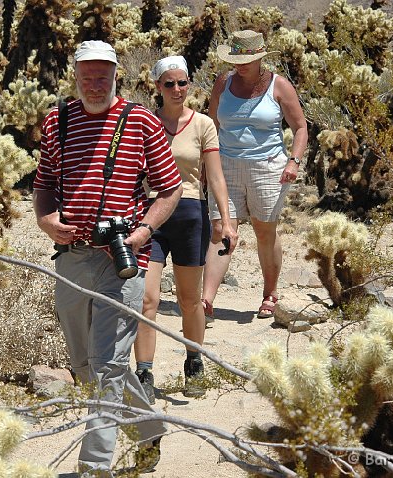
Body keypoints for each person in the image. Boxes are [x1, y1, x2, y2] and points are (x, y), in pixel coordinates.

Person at [33, 40, 183, 477]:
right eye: (87, 76)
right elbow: (44, 182)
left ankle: (95, 468)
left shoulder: (141, 122)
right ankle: (150, 427)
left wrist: (145, 230)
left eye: (103, 76)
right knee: (84, 366)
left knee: (107, 366)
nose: (94, 84)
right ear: (75, 76)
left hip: (123, 260)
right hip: (72, 258)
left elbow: (170, 188)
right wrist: (46, 219)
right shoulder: (58, 119)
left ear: (117, 75)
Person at [132, 56, 236, 403]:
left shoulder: (204, 124)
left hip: (192, 213)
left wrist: (225, 219)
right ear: (157, 88)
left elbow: (215, 176)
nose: (177, 90)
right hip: (152, 215)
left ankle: (193, 361)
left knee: (190, 299)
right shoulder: (143, 122)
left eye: (183, 83)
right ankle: (144, 372)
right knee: (147, 299)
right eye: (169, 84)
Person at [201, 29, 308, 320]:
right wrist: (205, 164)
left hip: (268, 166)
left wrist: (293, 162)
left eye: (246, 60)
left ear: (260, 58)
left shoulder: (279, 86)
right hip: (226, 164)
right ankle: (206, 300)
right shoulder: (223, 82)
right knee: (221, 230)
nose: (240, 65)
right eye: (235, 59)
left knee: (264, 231)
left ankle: (270, 293)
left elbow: (300, 127)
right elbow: (211, 124)